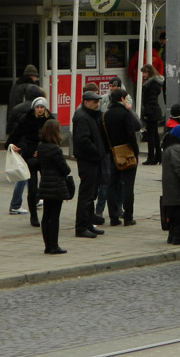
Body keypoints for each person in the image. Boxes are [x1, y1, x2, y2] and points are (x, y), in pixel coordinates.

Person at [7, 91, 49, 225]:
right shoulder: (26, 119)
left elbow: (54, 139)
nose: (40, 110)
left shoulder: (50, 120)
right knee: (32, 188)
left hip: (44, 156)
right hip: (29, 156)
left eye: (42, 107)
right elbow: (16, 133)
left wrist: (42, 150)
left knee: (46, 186)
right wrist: (10, 144)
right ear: (34, 108)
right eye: (37, 107)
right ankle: (34, 215)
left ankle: (47, 214)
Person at [102, 87, 141, 226]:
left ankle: (113, 216)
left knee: (112, 184)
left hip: (113, 152)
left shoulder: (106, 115)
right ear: (122, 99)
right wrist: (136, 152)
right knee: (128, 185)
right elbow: (133, 132)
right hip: (127, 152)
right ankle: (128, 216)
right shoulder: (125, 113)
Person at [72, 90, 106, 238]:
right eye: (94, 102)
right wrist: (97, 152)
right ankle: (81, 227)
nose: (97, 105)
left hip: (93, 160)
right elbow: (83, 140)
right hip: (88, 160)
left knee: (91, 194)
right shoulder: (82, 117)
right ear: (86, 103)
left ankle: (88, 223)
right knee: (86, 194)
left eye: (98, 102)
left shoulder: (91, 116)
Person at [36, 119, 71, 255]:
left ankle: (47, 245)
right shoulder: (55, 149)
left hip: (45, 183)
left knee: (46, 215)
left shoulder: (41, 146)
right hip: (56, 185)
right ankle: (54, 245)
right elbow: (65, 169)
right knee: (54, 216)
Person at [141, 64, 165, 165]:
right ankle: (158, 156)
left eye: (145, 72)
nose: (143, 75)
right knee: (154, 135)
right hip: (154, 111)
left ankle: (151, 157)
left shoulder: (152, 84)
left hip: (151, 111)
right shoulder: (154, 83)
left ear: (149, 72)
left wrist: (147, 112)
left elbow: (151, 100)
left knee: (151, 136)